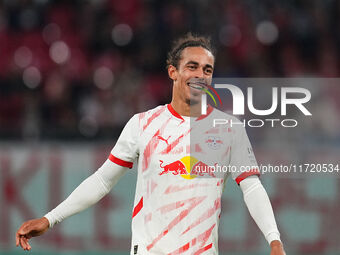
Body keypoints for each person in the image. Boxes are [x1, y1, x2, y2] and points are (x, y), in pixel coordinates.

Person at [16, 33, 286, 255]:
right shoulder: (143, 124)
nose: (200, 75)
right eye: (192, 66)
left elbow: (251, 187)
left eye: (207, 69)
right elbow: (102, 181)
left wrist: (274, 240)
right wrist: (50, 219)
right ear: (173, 72)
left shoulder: (229, 129)